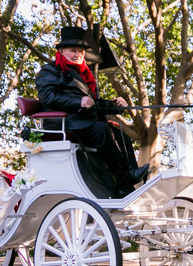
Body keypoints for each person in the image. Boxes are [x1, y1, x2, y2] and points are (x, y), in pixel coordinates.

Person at [35, 26, 149, 195]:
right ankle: (125, 177)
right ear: (61, 50)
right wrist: (78, 102)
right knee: (102, 130)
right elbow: (47, 98)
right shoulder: (50, 71)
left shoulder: (84, 74)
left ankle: (126, 186)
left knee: (121, 136)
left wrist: (114, 105)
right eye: (73, 50)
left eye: (80, 51)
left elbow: (95, 103)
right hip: (65, 123)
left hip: (84, 122)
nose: (77, 55)